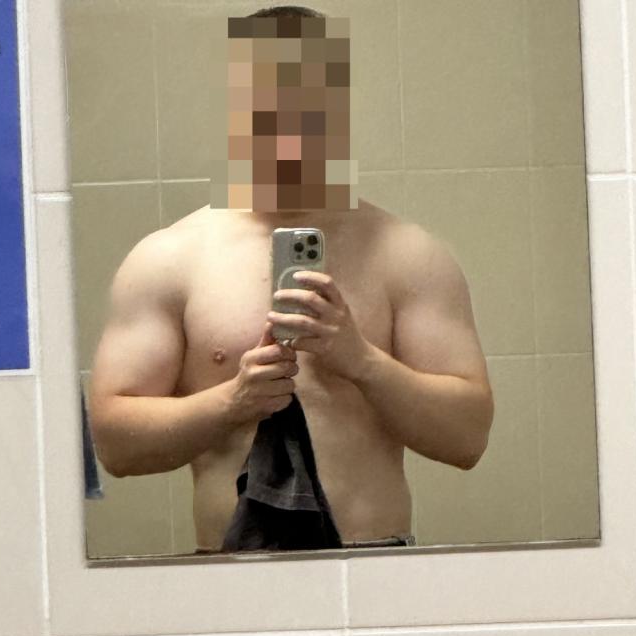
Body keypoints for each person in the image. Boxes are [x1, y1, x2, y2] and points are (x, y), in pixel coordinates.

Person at [88, 5, 494, 553]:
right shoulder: (170, 258)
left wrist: (363, 362)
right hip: (229, 574)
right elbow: (114, 446)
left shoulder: (408, 256)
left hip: (376, 565)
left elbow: (468, 437)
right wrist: (232, 401)